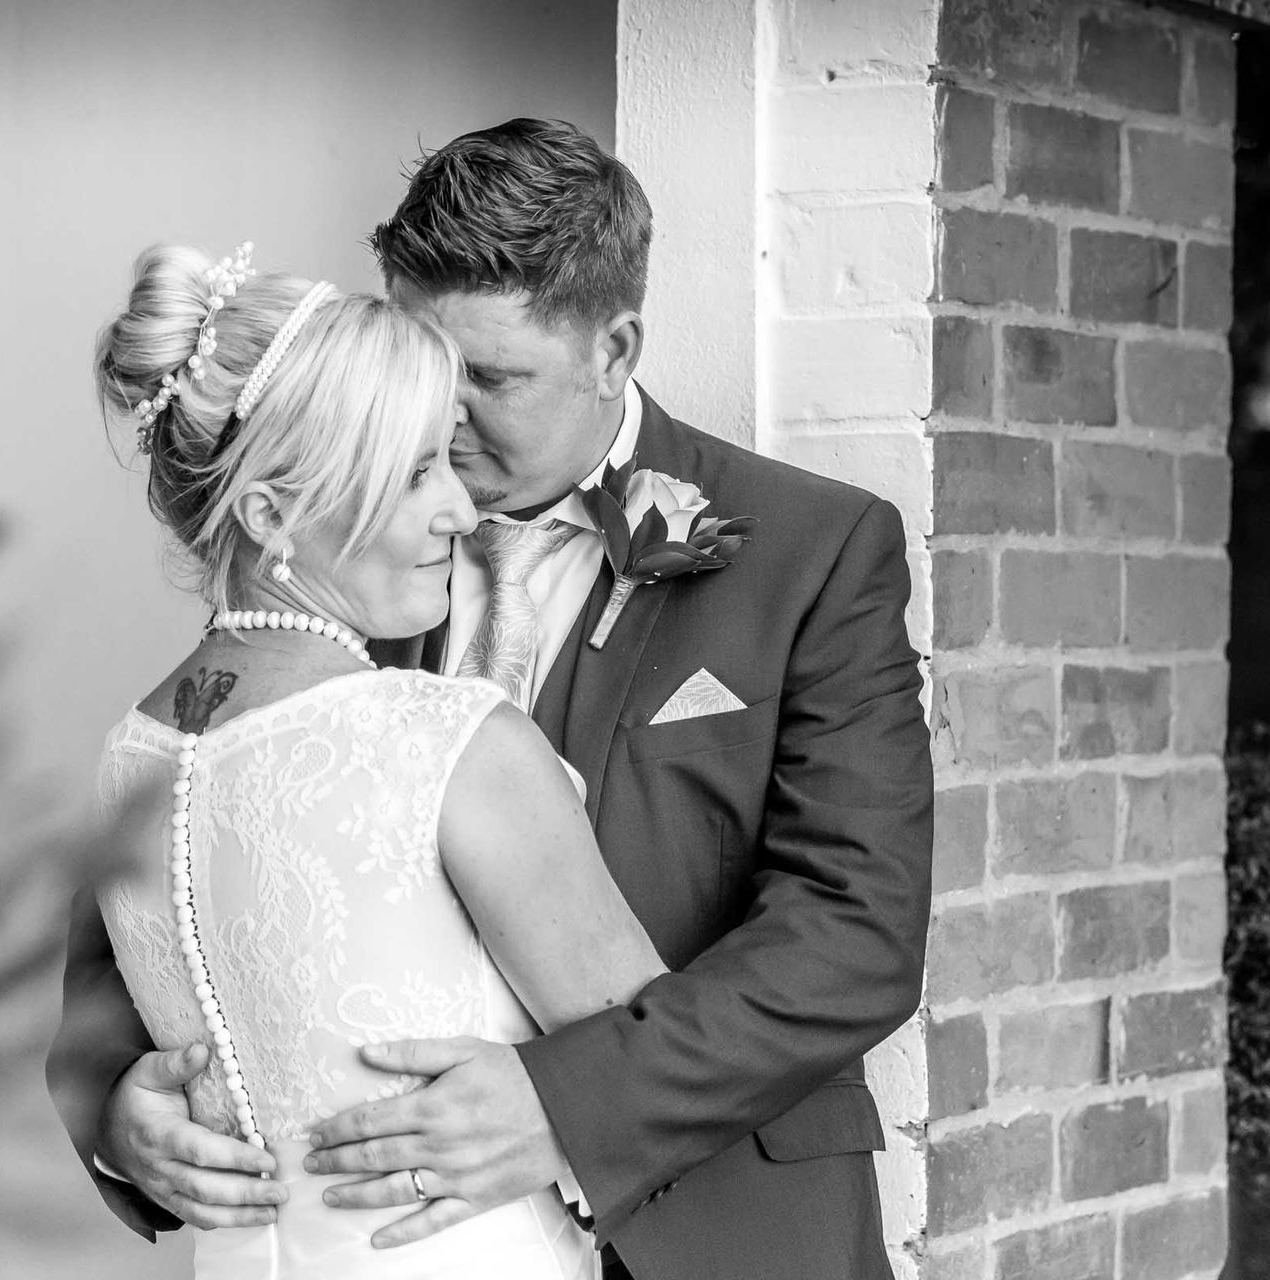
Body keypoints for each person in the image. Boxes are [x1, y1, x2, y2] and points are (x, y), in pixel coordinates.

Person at [58, 120, 934, 1280]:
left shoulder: (815, 551)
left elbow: (858, 933)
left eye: (491, 376)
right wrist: (123, 1110)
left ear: (614, 347)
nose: (445, 418)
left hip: (722, 1233)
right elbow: (179, 891)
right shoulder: (346, 549)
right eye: (423, 366)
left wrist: (564, 1102)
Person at [50, 241, 668, 1278]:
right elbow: (657, 1062)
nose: (461, 512)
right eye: (413, 472)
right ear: (272, 516)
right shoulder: (448, 744)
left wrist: (118, 1119)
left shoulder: (127, 757)